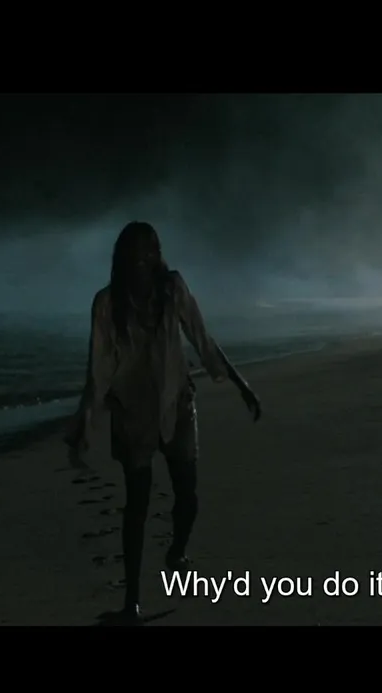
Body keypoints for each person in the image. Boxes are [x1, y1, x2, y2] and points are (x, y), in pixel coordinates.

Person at [65, 221, 262, 625]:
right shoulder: (107, 303)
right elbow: (98, 367)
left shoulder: (172, 288)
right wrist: (86, 420)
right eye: (135, 254)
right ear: (122, 259)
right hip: (132, 410)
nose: (143, 261)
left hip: (176, 402)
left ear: (157, 255)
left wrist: (241, 384)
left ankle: (177, 550)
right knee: (136, 505)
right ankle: (132, 602)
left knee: (187, 496)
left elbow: (202, 338)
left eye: (149, 252)